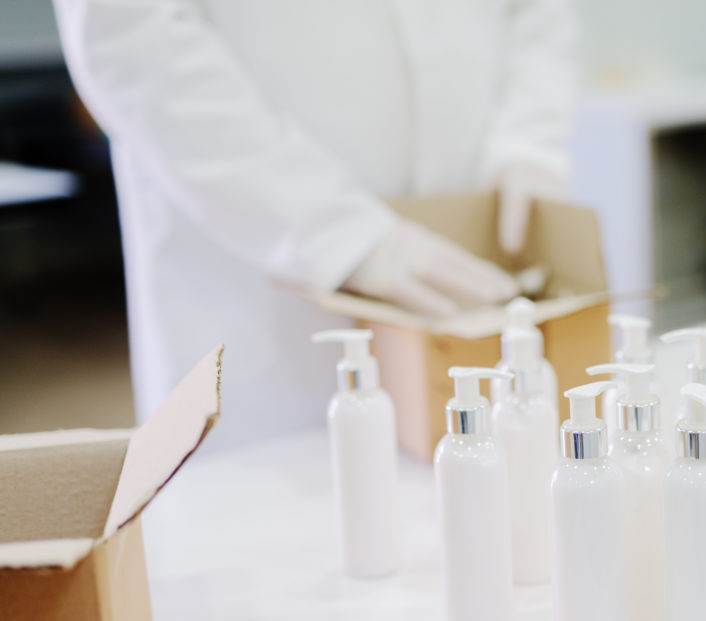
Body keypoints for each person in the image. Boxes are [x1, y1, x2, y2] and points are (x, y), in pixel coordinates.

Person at [53, 1, 576, 446]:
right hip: (255, 280)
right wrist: (334, 234)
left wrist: (528, 138)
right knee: (269, 534)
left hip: (472, 232)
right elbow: (128, 34)